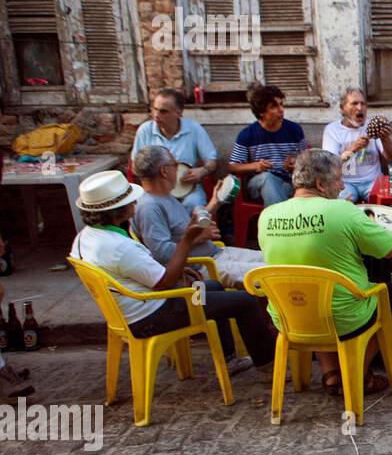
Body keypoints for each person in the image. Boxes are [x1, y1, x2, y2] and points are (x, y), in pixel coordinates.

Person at [69, 170, 276, 376]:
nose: (135, 204)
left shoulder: (85, 237)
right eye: (131, 201)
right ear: (118, 210)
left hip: (137, 307)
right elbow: (165, 282)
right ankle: (268, 365)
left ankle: (229, 359)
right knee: (245, 301)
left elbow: (151, 273)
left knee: (213, 287)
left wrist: (177, 269)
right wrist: (187, 240)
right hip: (154, 315)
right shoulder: (119, 247)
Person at [257, 150, 392, 396]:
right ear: (321, 184)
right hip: (343, 317)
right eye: (338, 179)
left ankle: (331, 373)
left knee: (314, 289)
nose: (343, 185)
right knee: (391, 300)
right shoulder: (343, 211)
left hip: (289, 316)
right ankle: (356, 374)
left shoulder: (266, 216)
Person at [131, 146, 265, 289]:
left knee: (278, 259)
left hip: (217, 254)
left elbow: (186, 228)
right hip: (203, 267)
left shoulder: (165, 196)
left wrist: (215, 201)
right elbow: (163, 254)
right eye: (175, 165)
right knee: (276, 274)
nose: (178, 169)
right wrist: (199, 238)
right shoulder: (150, 207)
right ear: (164, 171)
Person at [132, 89, 219, 211]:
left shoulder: (194, 129)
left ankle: (192, 230)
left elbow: (212, 160)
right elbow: (135, 166)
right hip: (156, 190)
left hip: (187, 188)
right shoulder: (145, 130)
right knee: (150, 208)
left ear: (178, 113)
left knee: (194, 203)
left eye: (163, 111)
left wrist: (203, 170)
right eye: (154, 109)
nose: (156, 115)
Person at [227, 84, 308, 207]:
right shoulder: (248, 134)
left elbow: (307, 161)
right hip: (258, 184)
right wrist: (255, 166)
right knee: (267, 178)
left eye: (281, 104)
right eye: (274, 106)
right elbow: (233, 167)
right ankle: (280, 222)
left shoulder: (294, 130)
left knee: (281, 190)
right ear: (261, 112)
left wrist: (296, 163)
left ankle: (276, 223)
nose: (281, 109)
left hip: (288, 183)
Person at [322, 87, 392, 202]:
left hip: (373, 181)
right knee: (341, 206)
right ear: (342, 108)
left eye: (363, 104)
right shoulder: (332, 130)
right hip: (344, 183)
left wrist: (385, 139)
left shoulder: (373, 126)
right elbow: (330, 165)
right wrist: (354, 148)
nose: (360, 108)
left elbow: (391, 157)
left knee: (383, 205)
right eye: (354, 103)